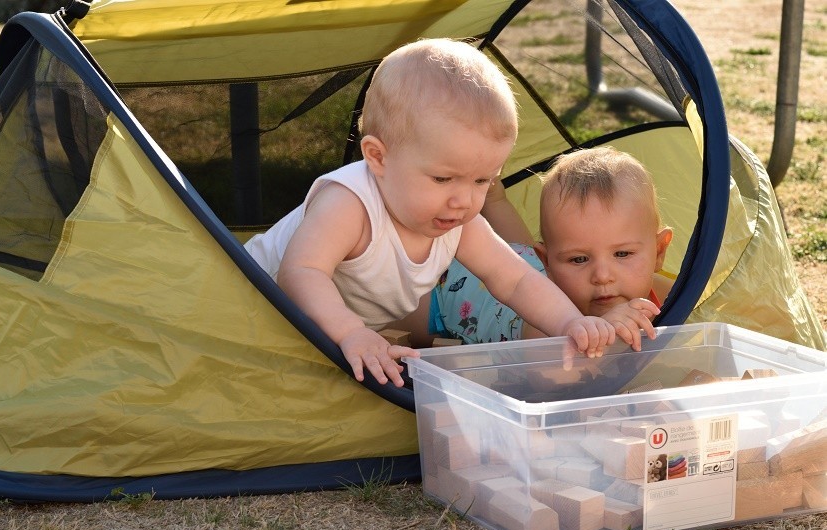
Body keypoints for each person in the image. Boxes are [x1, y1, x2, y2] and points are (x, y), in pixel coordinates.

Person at [245, 39, 625, 388]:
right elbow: (301, 272)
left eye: (482, 181)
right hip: (252, 308)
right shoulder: (349, 204)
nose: (463, 200)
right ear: (378, 157)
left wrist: (569, 322)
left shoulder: (457, 221)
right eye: (443, 178)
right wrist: (351, 332)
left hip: (333, 331)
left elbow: (515, 281)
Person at [414, 146, 673, 352]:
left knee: (519, 252)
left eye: (622, 254)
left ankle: (493, 197)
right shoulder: (545, 326)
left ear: (659, 252)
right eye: (579, 259)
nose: (603, 275)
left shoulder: (668, 294)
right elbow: (557, 375)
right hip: (447, 285)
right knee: (399, 311)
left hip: (514, 259)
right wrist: (603, 331)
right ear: (547, 263)